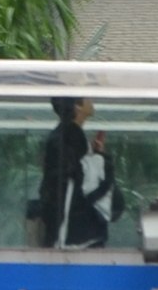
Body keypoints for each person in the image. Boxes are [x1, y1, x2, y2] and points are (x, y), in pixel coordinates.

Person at [35, 95, 121, 250]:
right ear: (77, 106)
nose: (91, 100)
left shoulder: (63, 136)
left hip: (66, 231)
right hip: (76, 235)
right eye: (86, 97)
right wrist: (101, 160)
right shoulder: (71, 137)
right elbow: (87, 186)